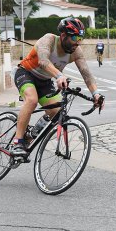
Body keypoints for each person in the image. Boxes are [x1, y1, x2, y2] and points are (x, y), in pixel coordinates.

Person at [12, 17, 105, 157]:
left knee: (56, 113)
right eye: (74, 38)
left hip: (45, 81)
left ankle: (30, 135)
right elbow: (43, 61)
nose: (77, 43)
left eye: (80, 38)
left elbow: (86, 74)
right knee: (32, 100)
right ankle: (17, 142)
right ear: (63, 35)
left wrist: (96, 94)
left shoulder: (76, 51)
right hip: (26, 73)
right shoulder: (48, 40)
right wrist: (59, 75)